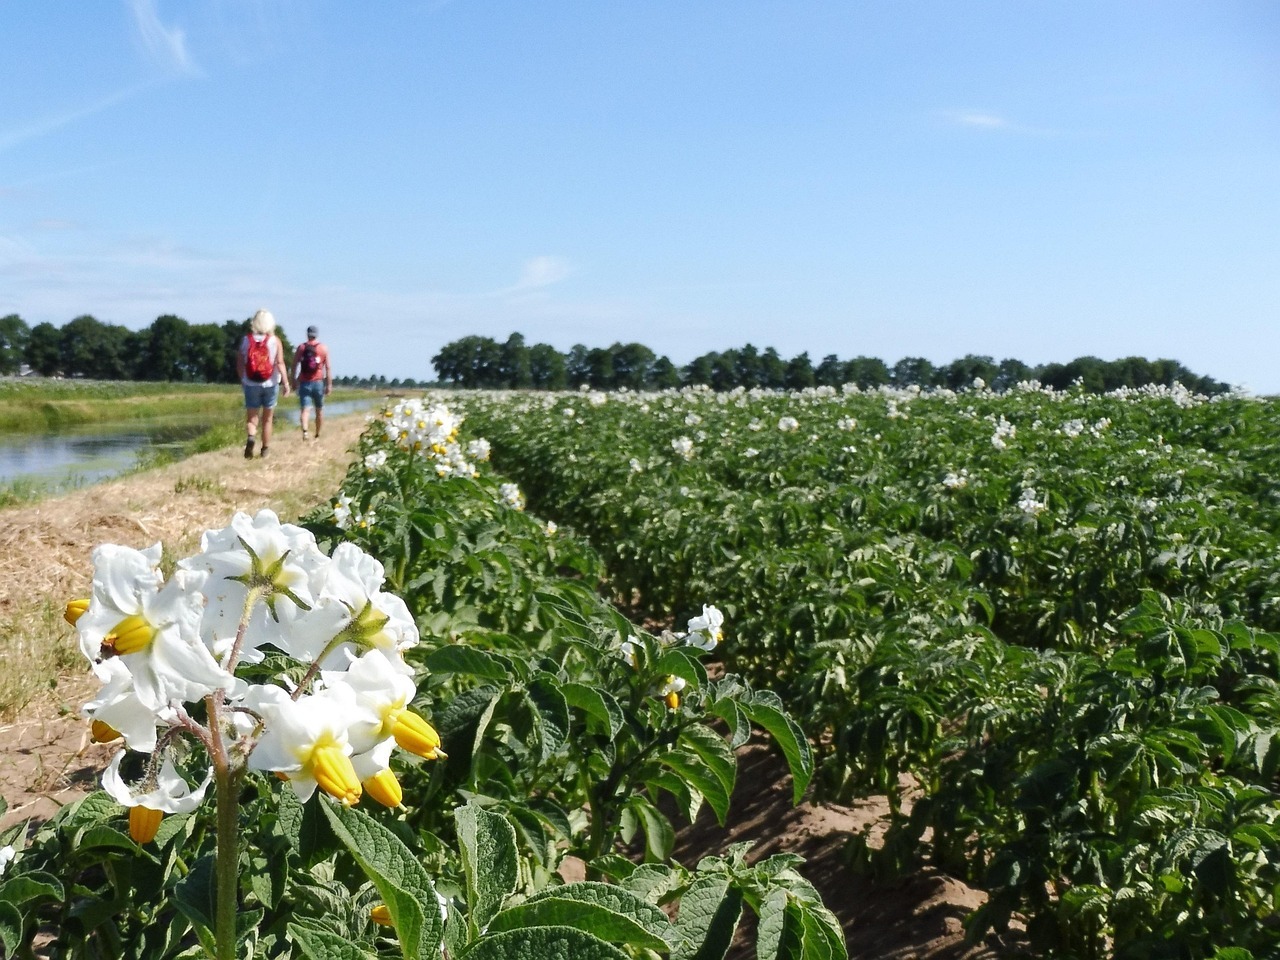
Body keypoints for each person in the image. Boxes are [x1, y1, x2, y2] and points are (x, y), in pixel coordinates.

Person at [237, 309, 290, 459]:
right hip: (271, 383)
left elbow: (240, 363)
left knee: (252, 419)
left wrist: (243, 379)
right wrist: (286, 383)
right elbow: (280, 363)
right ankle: (265, 450)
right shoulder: (275, 341)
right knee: (267, 419)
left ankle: (251, 436)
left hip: (251, 383)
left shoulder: (246, 340)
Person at [291, 325, 332, 440]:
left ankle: (305, 431)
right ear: (317, 334)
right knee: (319, 410)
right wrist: (329, 384)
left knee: (305, 409)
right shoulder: (323, 348)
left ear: (307, 334)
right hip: (318, 382)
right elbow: (328, 367)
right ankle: (317, 434)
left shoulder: (301, 348)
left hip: (304, 382)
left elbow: (294, 365)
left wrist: (293, 380)